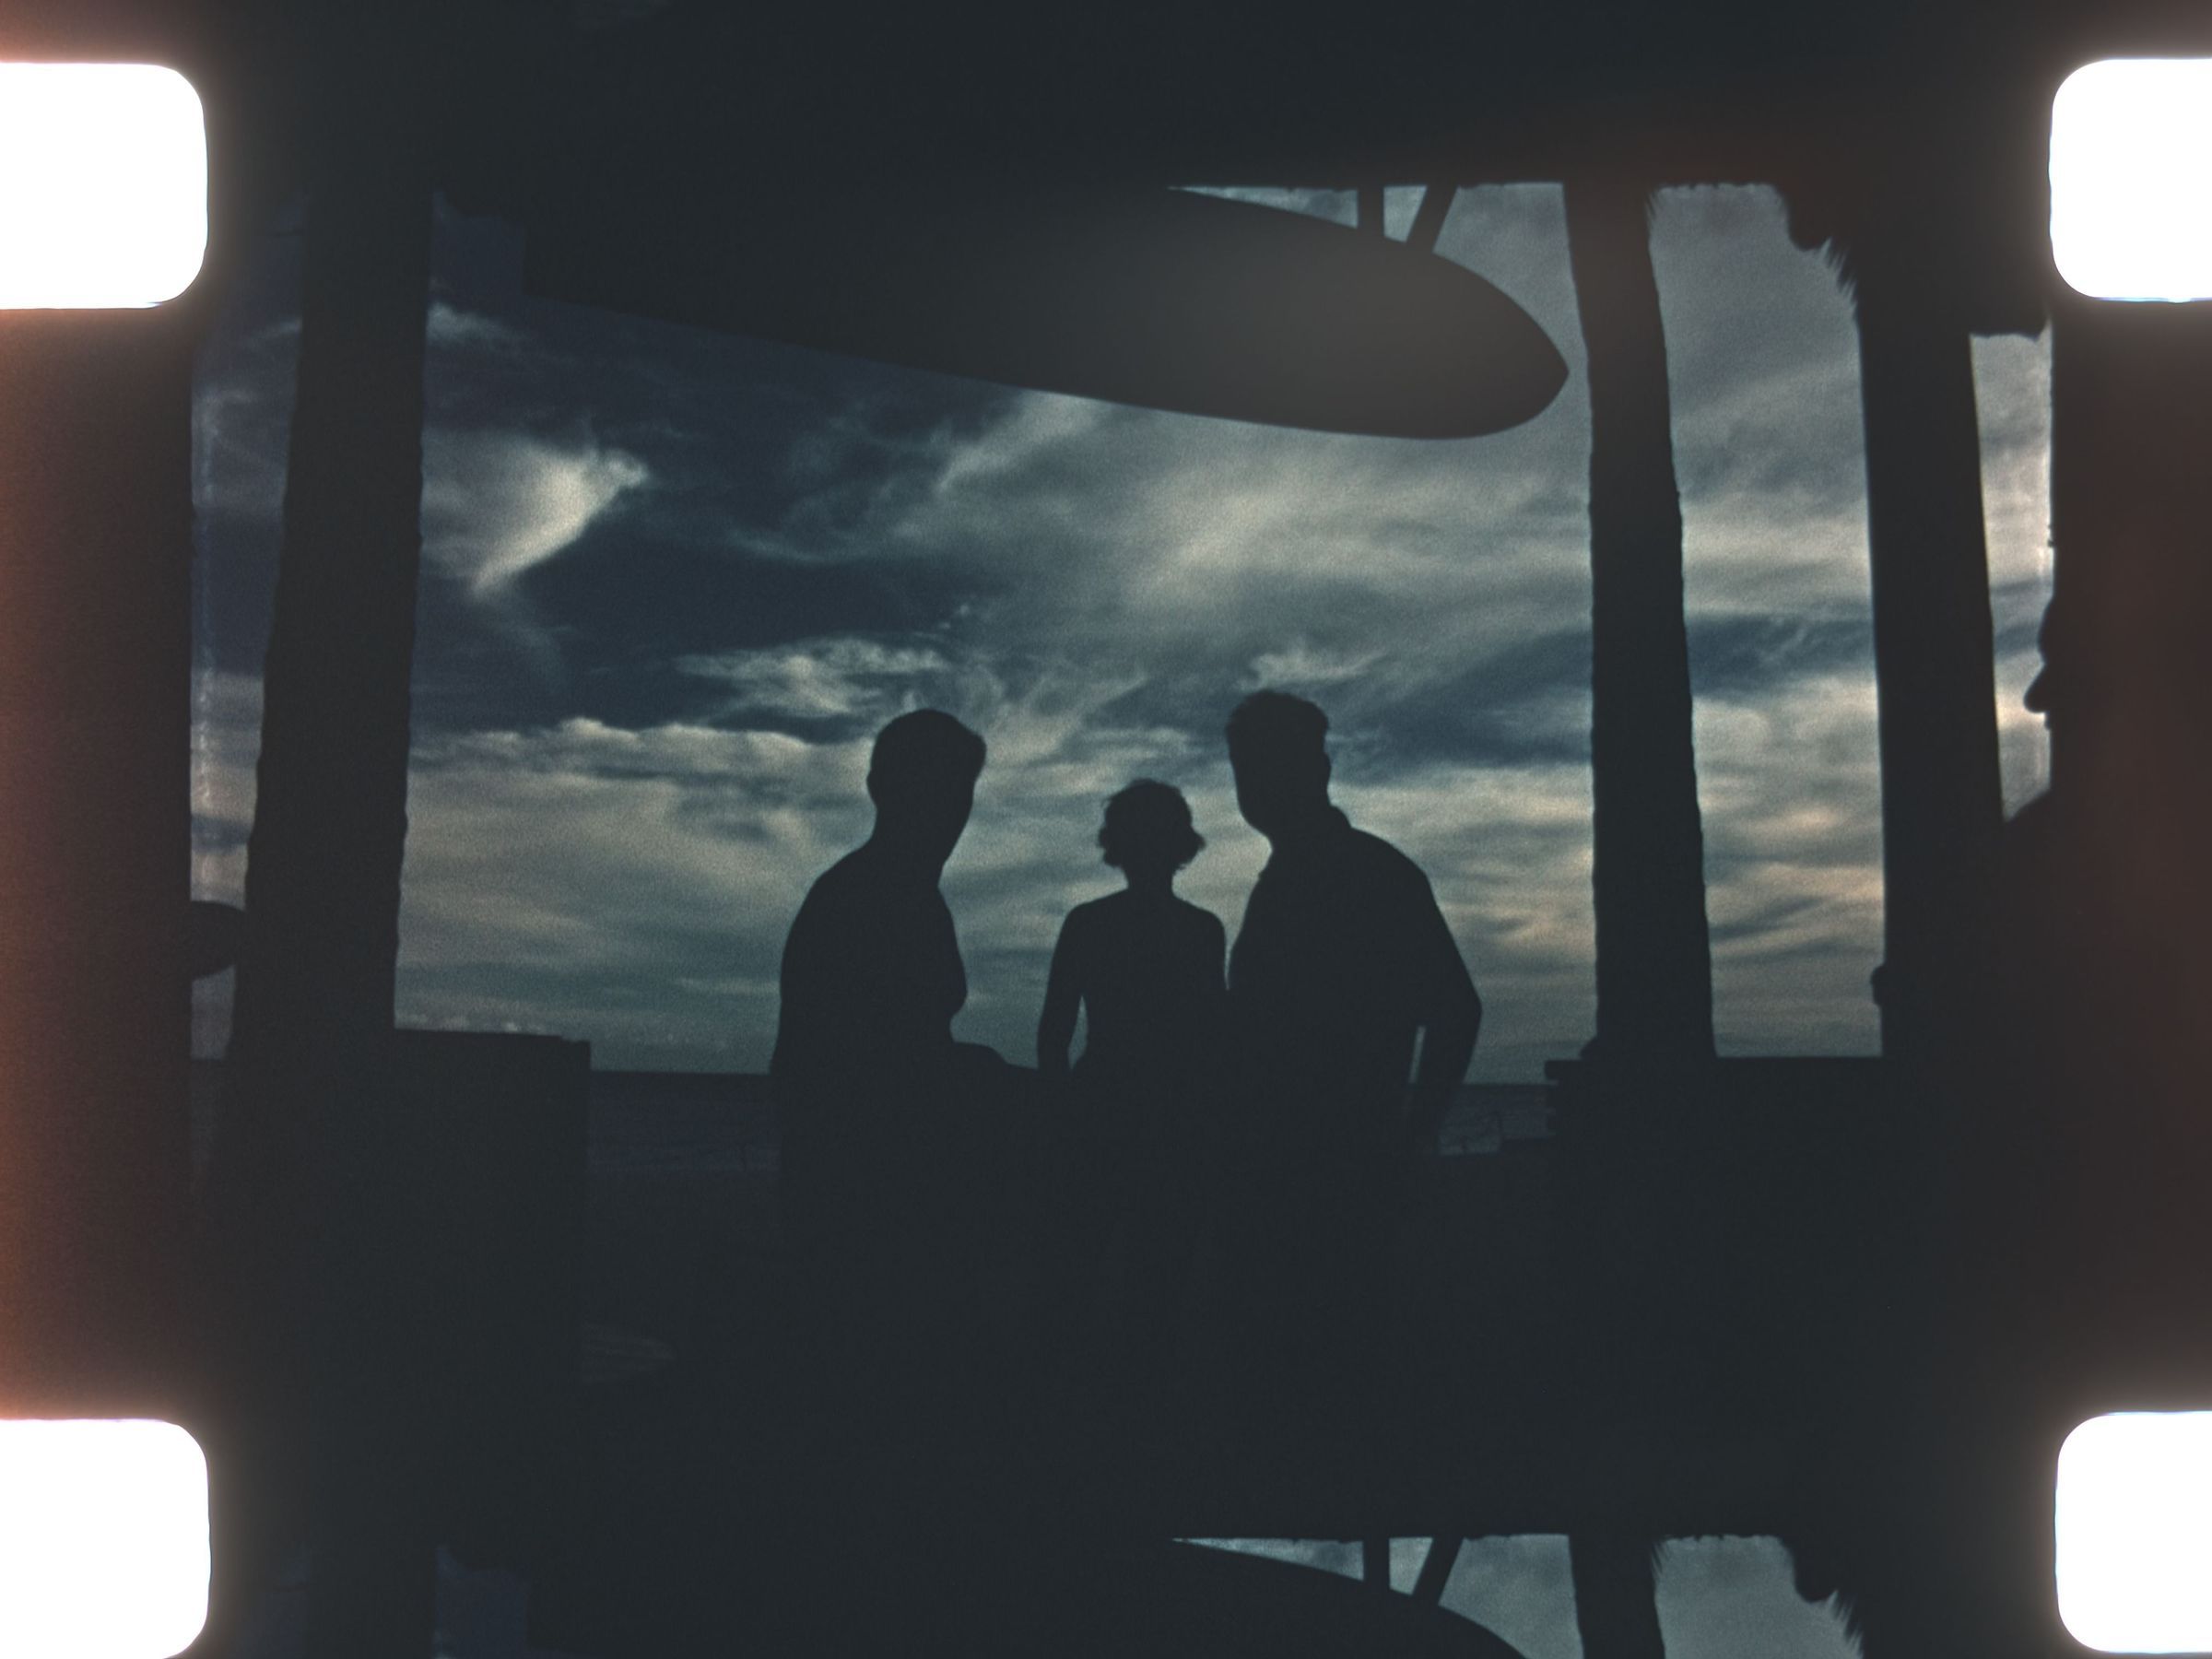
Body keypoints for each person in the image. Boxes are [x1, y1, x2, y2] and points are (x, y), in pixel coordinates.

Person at [1218, 690, 1483, 1421]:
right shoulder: (1290, 878)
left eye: (1268, 766)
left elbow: (1456, 1009)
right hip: (1282, 1165)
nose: (1254, 787)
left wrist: (1410, 1136)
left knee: (1329, 1371)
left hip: (1337, 1165)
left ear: (1318, 769)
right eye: (1244, 769)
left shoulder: (1371, 874)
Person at [769, 710, 1008, 1411]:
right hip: (865, 1181)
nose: (948, 809)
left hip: (886, 1174)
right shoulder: (866, 893)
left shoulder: (906, 892)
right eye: (928, 787)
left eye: (959, 789)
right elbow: (855, 1057)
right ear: (881, 788)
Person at [1034, 781, 1228, 1404]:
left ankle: (1087, 1404)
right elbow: (1213, 1039)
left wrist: (1061, 1114)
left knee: (1091, 1274)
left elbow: (1053, 1036)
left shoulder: (1092, 924)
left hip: (1119, 1112)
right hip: (1158, 1119)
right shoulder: (1200, 930)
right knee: (1147, 1281)